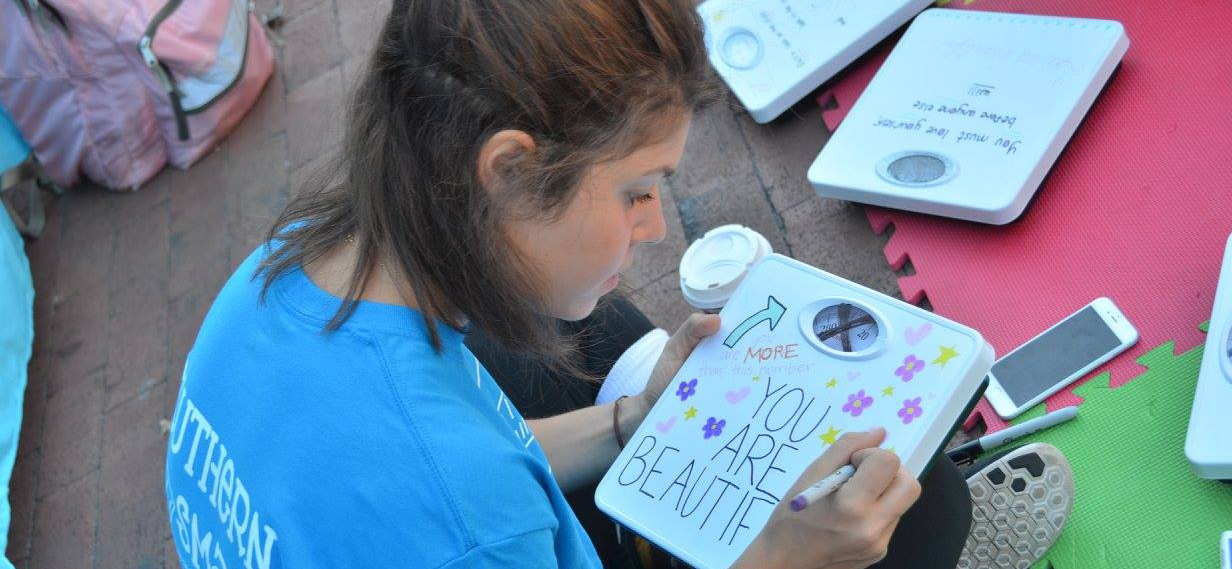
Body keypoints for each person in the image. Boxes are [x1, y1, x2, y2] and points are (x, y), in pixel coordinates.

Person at [164, 1, 1070, 567]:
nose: (653, 226)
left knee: (604, 340)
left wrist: (637, 419)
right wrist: (775, 563)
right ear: (510, 170)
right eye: (637, 189)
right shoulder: (473, 524)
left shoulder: (285, 268)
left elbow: (477, 448)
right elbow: (463, 492)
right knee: (922, 515)